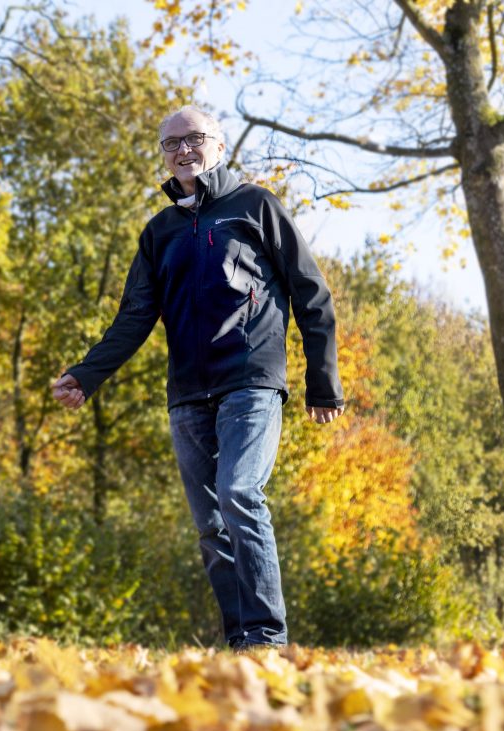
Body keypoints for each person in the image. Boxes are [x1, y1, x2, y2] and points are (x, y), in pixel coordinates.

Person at [50, 105, 345, 651]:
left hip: (251, 380)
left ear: (219, 144)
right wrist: (86, 375)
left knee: (240, 492)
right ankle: (240, 643)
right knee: (210, 524)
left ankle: (266, 640)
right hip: (187, 393)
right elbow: (135, 316)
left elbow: (312, 295)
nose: (182, 151)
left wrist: (322, 382)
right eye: (170, 143)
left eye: (193, 139)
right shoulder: (159, 232)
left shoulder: (254, 206)